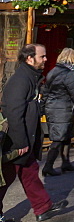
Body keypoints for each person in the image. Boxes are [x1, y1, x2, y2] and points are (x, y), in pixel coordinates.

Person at [0, 44, 68, 222]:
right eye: (42, 56)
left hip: (24, 139)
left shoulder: (31, 77)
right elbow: (14, 113)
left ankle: (43, 208)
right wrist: (21, 142)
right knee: (5, 178)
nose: (45, 59)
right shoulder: (20, 80)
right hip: (15, 141)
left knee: (29, 172)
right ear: (30, 58)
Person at [43, 47, 74, 175]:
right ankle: (48, 166)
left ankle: (66, 162)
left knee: (66, 136)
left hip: (52, 107)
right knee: (59, 138)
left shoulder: (52, 72)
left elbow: (45, 91)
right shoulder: (69, 74)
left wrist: (42, 108)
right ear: (73, 59)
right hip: (62, 109)